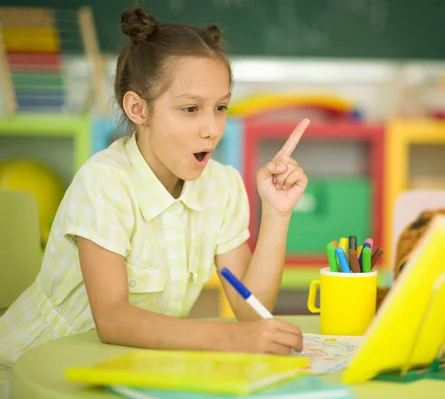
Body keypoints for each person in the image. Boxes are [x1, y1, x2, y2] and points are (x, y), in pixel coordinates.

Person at [0, 7, 309, 396]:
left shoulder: (223, 186)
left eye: (221, 107)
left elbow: (251, 310)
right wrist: (232, 340)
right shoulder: (104, 183)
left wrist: (278, 215)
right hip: (34, 373)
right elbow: (113, 320)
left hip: (126, 371)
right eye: (190, 109)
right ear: (138, 109)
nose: (211, 129)